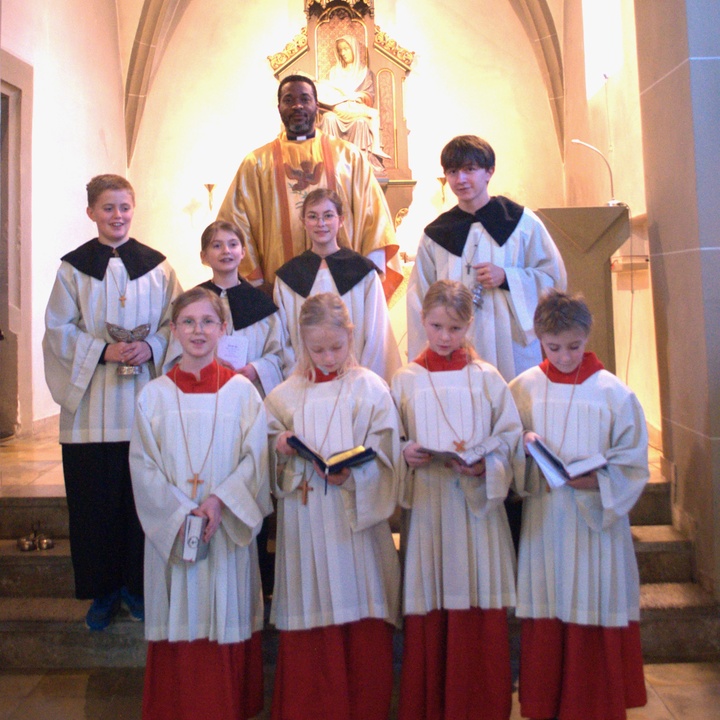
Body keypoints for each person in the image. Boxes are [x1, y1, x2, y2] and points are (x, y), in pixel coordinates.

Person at [43, 174, 182, 631]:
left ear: (133, 208)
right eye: (107, 208)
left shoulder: (159, 268)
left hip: (144, 406)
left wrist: (153, 348)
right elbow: (58, 329)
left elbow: (175, 323)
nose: (117, 216)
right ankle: (102, 592)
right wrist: (104, 350)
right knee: (94, 507)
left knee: (138, 504)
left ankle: (137, 587)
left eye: (124, 207)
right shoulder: (73, 269)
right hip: (90, 414)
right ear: (91, 213)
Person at [129, 287, 272, 720]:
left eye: (208, 321)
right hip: (175, 536)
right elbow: (143, 465)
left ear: (223, 329)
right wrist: (179, 511)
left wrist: (218, 501)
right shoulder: (153, 395)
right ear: (173, 330)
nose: (198, 331)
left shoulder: (244, 395)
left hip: (224, 533)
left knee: (224, 610)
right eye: (188, 322)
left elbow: (257, 461)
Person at [508, 289, 649, 720]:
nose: (565, 356)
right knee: (549, 604)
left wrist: (598, 480)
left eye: (574, 346)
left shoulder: (614, 393)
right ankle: (547, 701)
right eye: (554, 348)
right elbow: (508, 447)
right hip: (546, 517)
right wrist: (525, 449)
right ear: (539, 341)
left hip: (595, 523)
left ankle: (593, 704)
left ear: (586, 336)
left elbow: (632, 461)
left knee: (593, 598)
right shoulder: (524, 388)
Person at [264, 292, 402, 720]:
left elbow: (388, 455)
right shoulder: (283, 397)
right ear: (302, 343)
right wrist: (280, 449)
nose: (327, 357)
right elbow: (264, 457)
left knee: (359, 614)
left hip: (354, 527)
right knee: (312, 615)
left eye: (336, 347)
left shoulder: (371, 389)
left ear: (351, 336)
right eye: (317, 349)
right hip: (304, 522)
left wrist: (356, 475)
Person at [391, 279, 522, 720]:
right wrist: (405, 453)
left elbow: (510, 438)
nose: (444, 336)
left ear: (469, 325)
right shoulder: (406, 380)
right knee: (432, 604)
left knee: (477, 600)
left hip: (477, 513)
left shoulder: (487, 378)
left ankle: (479, 707)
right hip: (428, 508)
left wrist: (488, 465)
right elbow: (392, 442)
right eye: (435, 326)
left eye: (454, 327)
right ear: (423, 322)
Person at [217, 74, 402, 298]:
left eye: (305, 99)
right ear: (279, 108)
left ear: (317, 106)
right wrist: (256, 284)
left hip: (345, 288)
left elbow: (374, 218)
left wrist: (369, 280)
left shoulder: (349, 156)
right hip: (278, 290)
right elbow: (236, 224)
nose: (297, 106)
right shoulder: (256, 163)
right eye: (289, 100)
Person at [407, 134, 567, 382]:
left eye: (469, 169)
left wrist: (507, 277)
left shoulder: (521, 223)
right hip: (454, 345)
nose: (460, 179)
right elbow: (419, 297)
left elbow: (553, 279)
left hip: (511, 345)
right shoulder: (436, 235)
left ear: (489, 172)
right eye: (452, 171)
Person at [273, 188, 401, 383]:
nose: (321, 223)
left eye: (328, 216)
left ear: (341, 220)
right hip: (307, 383)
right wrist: (299, 378)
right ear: (304, 222)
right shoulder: (289, 277)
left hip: (355, 381)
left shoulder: (363, 273)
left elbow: (377, 334)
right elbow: (283, 339)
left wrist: (362, 379)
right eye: (313, 216)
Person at [164, 220, 287, 398]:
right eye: (217, 245)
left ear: (243, 252)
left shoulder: (262, 303)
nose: (226, 251)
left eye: (233, 244)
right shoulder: (190, 304)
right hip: (201, 392)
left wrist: (257, 369)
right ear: (203, 256)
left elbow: (280, 354)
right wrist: (204, 363)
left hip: (249, 392)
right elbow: (175, 353)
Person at [317, 35, 390, 169]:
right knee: (328, 118)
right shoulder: (333, 72)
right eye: (340, 50)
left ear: (354, 49)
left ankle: (361, 163)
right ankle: (329, 162)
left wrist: (357, 96)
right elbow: (326, 94)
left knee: (361, 122)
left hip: (355, 109)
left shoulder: (364, 73)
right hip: (338, 108)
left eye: (346, 49)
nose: (343, 53)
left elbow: (369, 95)